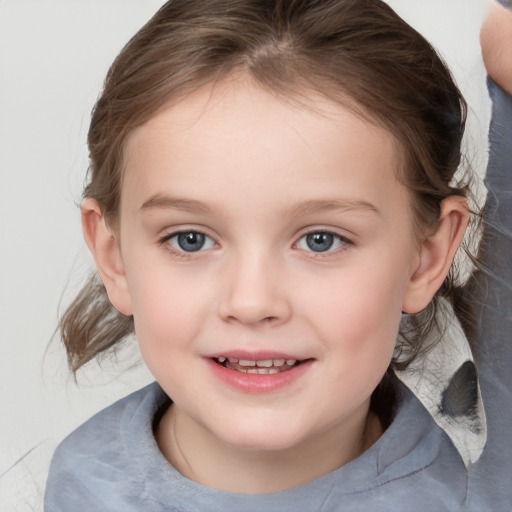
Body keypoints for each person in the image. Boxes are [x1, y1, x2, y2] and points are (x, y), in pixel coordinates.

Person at [43, 0, 492, 510]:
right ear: (114, 257)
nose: (253, 302)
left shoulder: (469, 497)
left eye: (321, 239)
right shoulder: (81, 482)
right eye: (190, 239)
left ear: (427, 256)